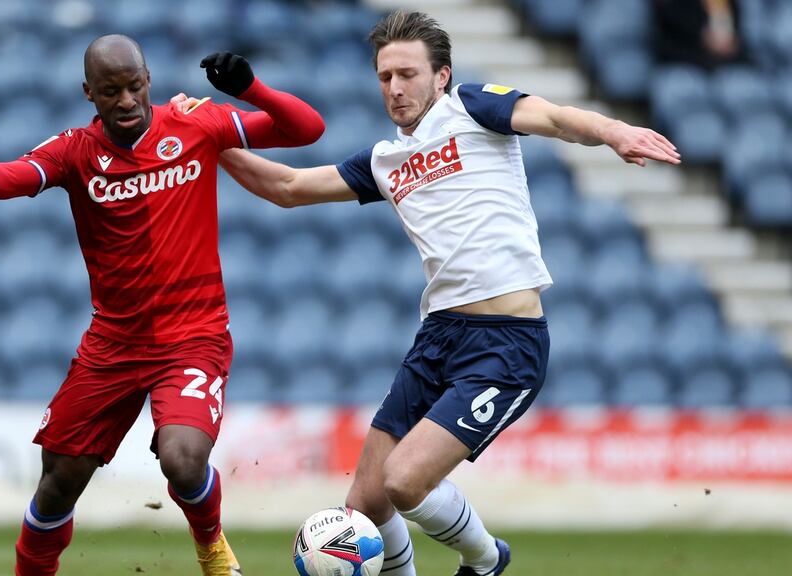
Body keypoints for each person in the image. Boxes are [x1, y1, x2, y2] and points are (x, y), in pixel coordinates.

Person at [176, 10, 680, 576]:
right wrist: (210, 138)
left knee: (405, 480)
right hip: (439, 335)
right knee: (365, 504)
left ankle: (486, 560)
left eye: (408, 74)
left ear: (441, 76)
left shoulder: (472, 107)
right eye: (385, 77)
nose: (395, 88)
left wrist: (614, 133)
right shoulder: (385, 160)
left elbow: (556, 117)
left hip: (506, 345)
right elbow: (288, 187)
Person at [0, 35, 324, 576]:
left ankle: (212, 546)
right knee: (57, 483)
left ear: (148, 80)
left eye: (134, 86)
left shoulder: (195, 123)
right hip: (114, 344)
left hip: (193, 335)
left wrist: (250, 88)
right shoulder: (76, 151)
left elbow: (307, 128)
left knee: (182, 460)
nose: (126, 100)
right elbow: (3, 182)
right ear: (89, 93)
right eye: (110, 91)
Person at [653, 0, 743, 69]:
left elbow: (737, 35)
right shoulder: (675, 5)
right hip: (684, 60)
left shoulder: (728, 3)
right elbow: (669, 38)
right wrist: (701, 37)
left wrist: (735, 44)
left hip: (727, 61)